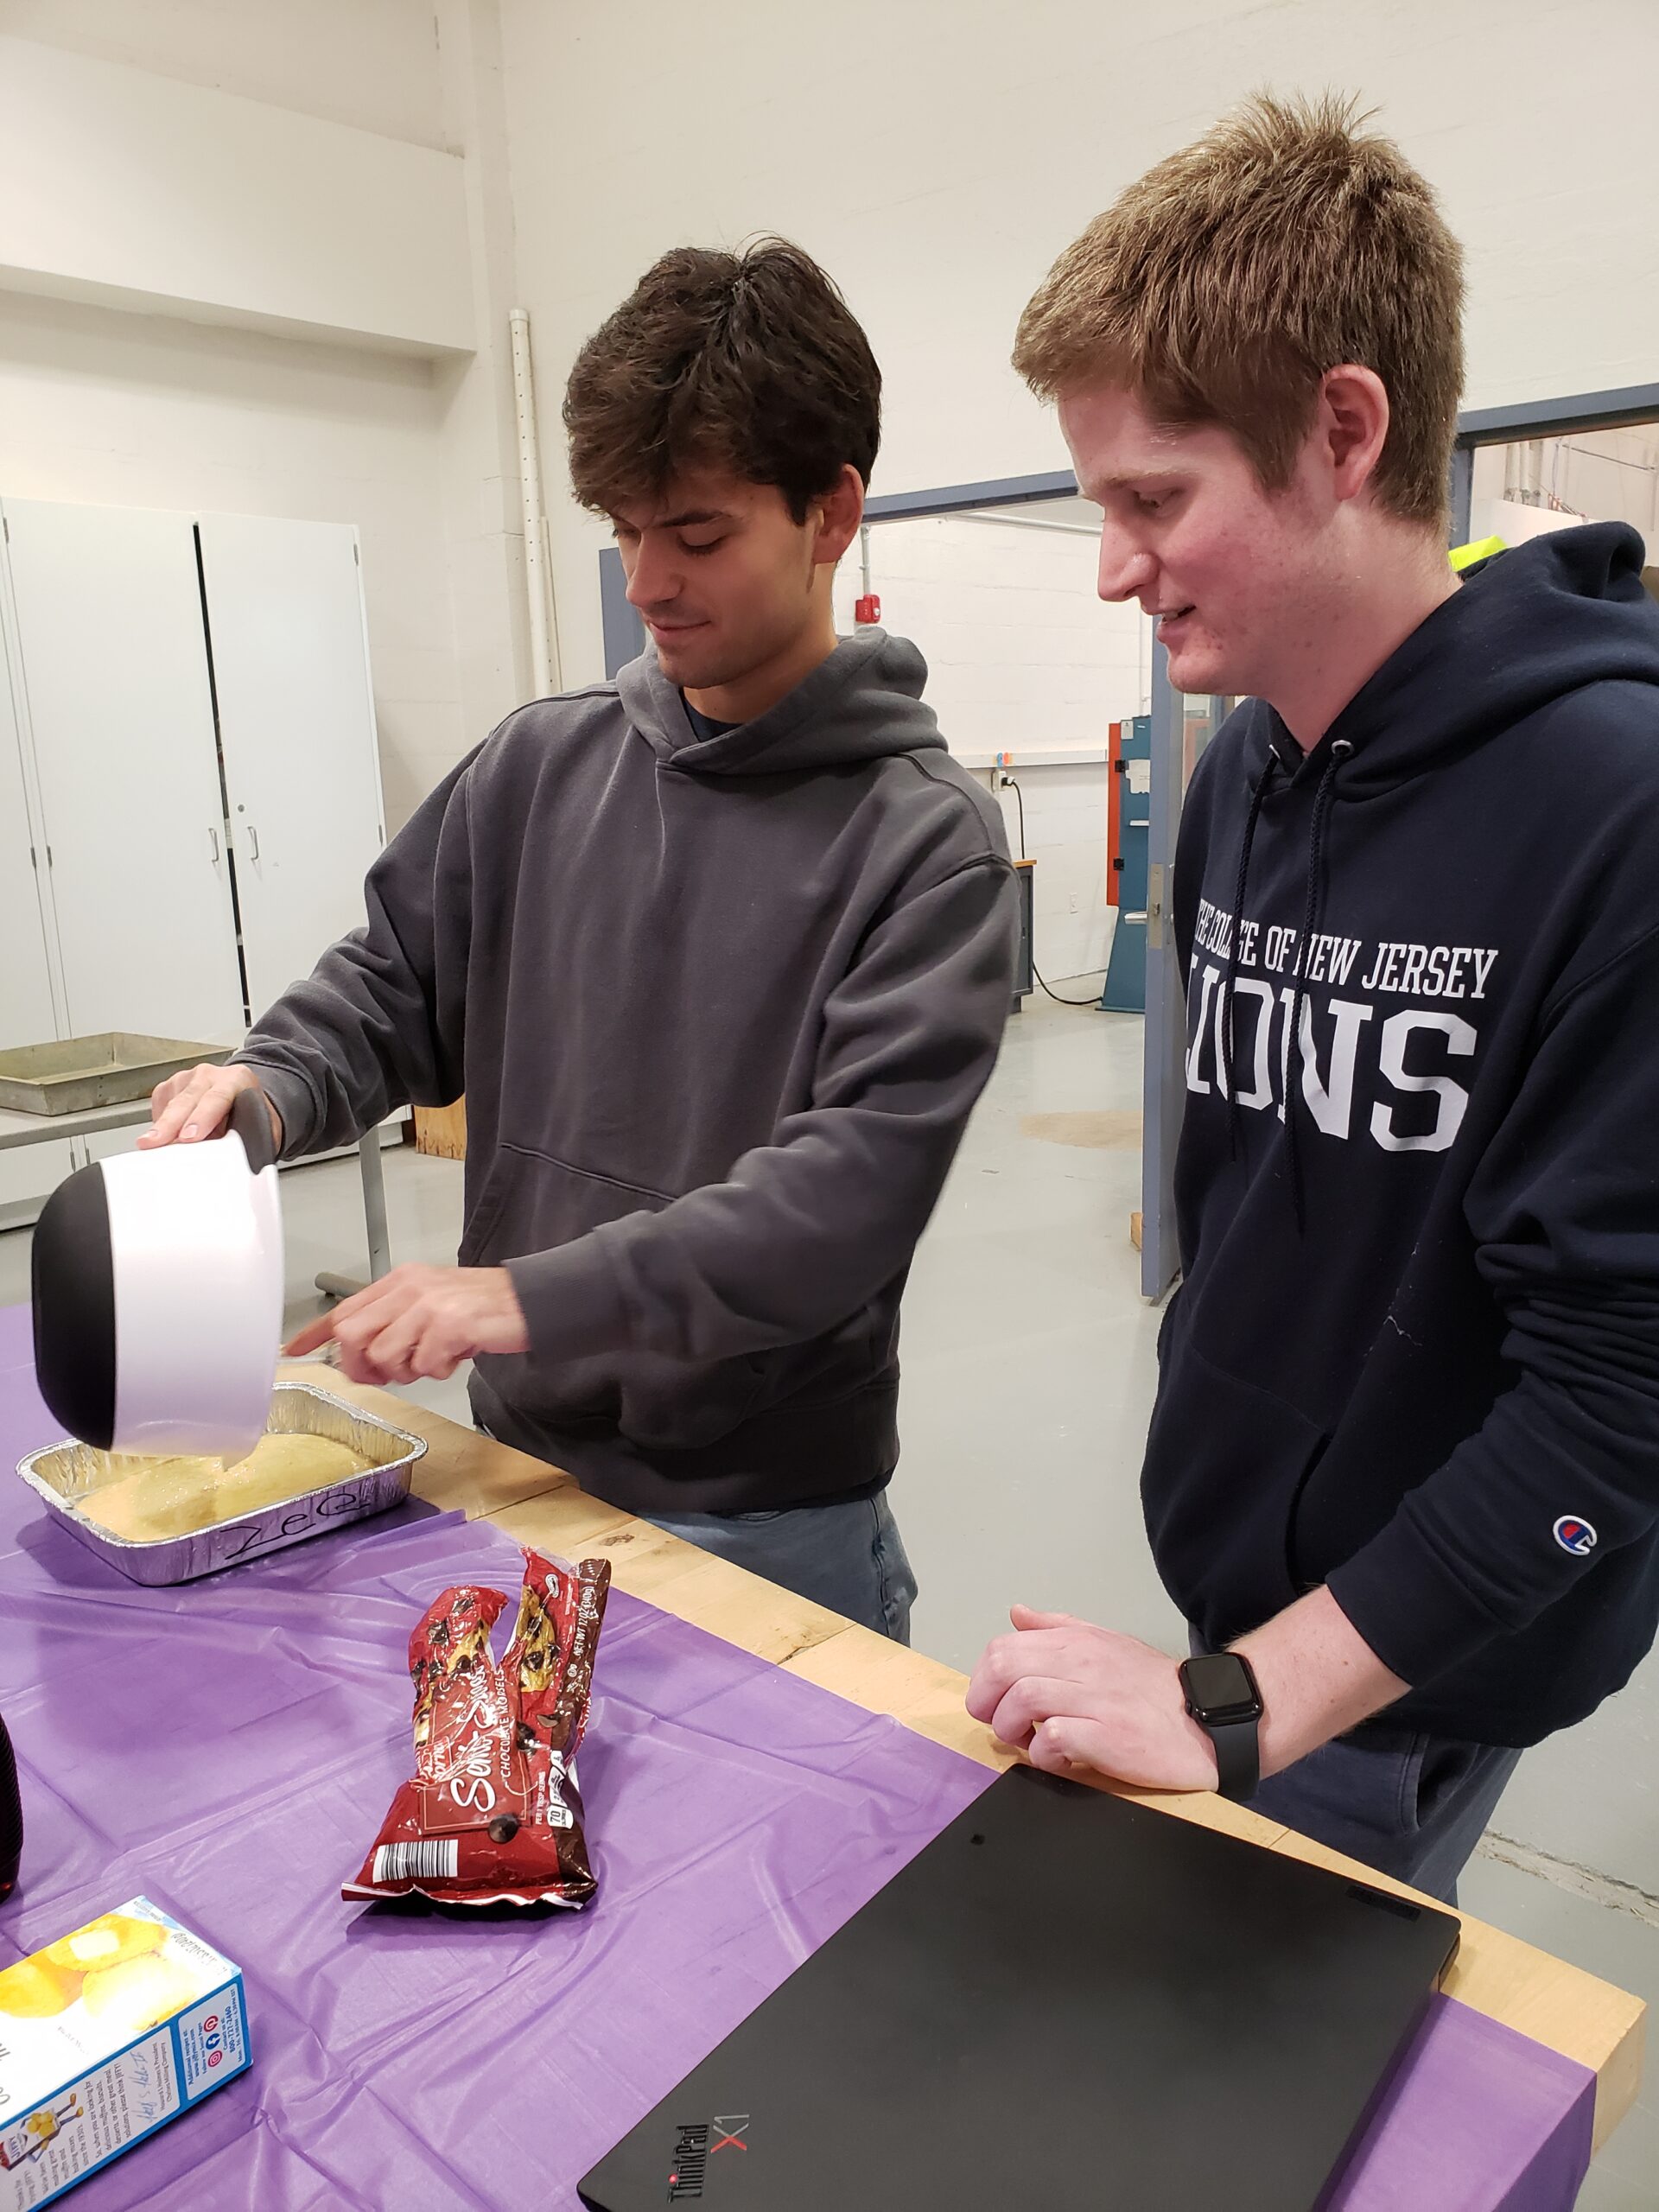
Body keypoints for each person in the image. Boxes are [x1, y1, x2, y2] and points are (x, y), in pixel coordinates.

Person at [966, 92, 1659, 1901]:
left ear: (1343, 431)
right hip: (1243, 1589)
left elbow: (1621, 1405)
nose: (1115, 563)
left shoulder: (1619, 810)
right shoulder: (1245, 774)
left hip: (1419, 1651)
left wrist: (1242, 1703)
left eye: (1152, 498)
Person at [143, 238, 1018, 1643]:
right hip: (520, 1470)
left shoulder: (927, 847)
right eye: (622, 527)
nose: (647, 580)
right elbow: (390, 982)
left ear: (830, 512)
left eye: (699, 532)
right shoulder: (540, 768)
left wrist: (518, 1296)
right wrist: (272, 1082)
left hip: (763, 1520)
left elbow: (836, 1209)